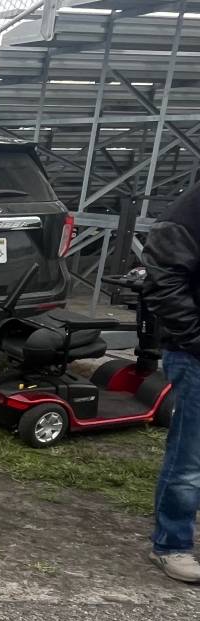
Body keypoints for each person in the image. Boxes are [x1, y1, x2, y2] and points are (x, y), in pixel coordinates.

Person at [142, 184, 200, 582]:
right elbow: (163, 280)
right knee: (190, 456)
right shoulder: (190, 210)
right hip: (195, 353)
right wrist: (195, 337)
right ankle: (172, 544)